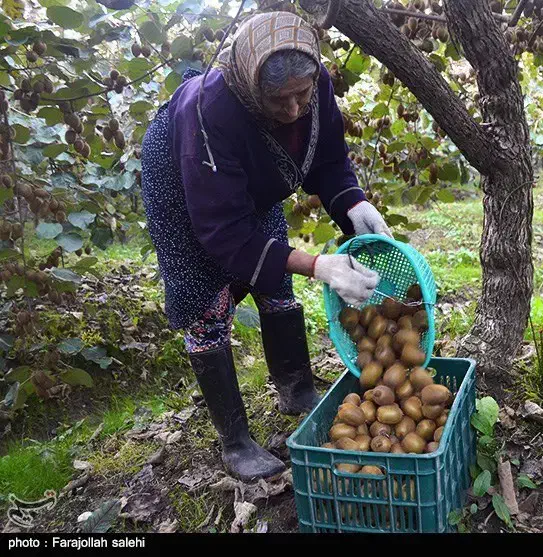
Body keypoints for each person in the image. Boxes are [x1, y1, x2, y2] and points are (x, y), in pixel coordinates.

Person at [140, 12, 391, 481]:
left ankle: (295, 390)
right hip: (182, 181)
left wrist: (353, 201)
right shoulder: (210, 111)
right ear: (253, 87)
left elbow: (330, 158)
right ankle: (235, 442)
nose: (296, 108)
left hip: (250, 183)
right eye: (282, 99)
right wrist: (318, 264)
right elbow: (226, 232)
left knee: (275, 279)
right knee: (205, 302)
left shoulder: (313, 86)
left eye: (304, 94)